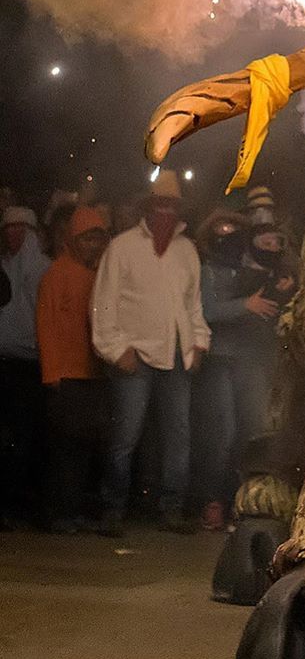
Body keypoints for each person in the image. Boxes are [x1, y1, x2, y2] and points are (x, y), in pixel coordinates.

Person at [92, 171, 210, 534]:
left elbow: (193, 306)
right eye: (160, 204)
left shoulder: (186, 250)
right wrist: (116, 350)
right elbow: (103, 304)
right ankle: (112, 511)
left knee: (178, 436)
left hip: (176, 353)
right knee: (125, 437)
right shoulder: (123, 247)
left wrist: (198, 343)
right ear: (148, 206)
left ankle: (170, 509)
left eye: (172, 205)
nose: (166, 211)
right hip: (135, 353)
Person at [194, 196, 292, 530]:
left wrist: (277, 290)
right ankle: (212, 501)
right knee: (222, 434)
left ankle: (240, 502)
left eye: (237, 229)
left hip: (250, 361)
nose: (230, 235)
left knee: (251, 432)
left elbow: (268, 305)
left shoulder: (253, 269)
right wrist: (244, 305)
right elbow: (207, 311)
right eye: (224, 229)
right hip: (220, 359)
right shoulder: (209, 270)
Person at [35, 206, 111, 532]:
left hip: (90, 375)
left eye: (98, 238)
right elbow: (46, 324)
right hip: (65, 376)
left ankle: (71, 510)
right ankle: (59, 514)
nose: (93, 245)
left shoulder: (97, 277)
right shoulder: (57, 274)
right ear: (74, 240)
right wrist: (51, 373)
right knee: (65, 449)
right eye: (87, 238)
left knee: (82, 449)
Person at [0, 205, 50, 527]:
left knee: (23, 438)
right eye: (8, 228)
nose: (13, 234)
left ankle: (16, 505)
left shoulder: (44, 270)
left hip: (29, 366)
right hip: (3, 362)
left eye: (21, 229)